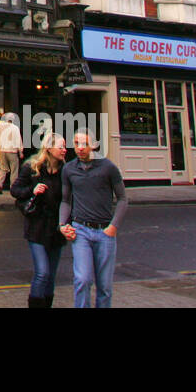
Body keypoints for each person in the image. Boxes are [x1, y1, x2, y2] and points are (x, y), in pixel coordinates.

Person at [58, 130, 128, 308]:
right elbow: (65, 200)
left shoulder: (108, 168)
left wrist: (113, 226)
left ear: (94, 145)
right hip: (81, 230)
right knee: (82, 279)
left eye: (84, 144)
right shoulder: (69, 169)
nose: (80, 148)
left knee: (104, 286)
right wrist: (62, 224)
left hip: (105, 232)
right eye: (76, 144)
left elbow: (122, 199)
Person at [9, 132, 68, 308]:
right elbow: (15, 190)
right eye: (61, 147)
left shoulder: (65, 171)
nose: (65, 150)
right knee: (42, 273)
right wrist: (32, 190)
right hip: (37, 227)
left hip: (56, 229)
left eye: (65, 146)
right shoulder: (32, 167)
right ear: (49, 148)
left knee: (50, 275)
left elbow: (69, 200)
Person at [0, 112, 22, 194]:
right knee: (14, 170)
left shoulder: (0, 127)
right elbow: (18, 140)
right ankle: (13, 187)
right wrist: (21, 151)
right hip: (12, 151)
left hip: (2, 150)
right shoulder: (15, 128)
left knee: (3, 168)